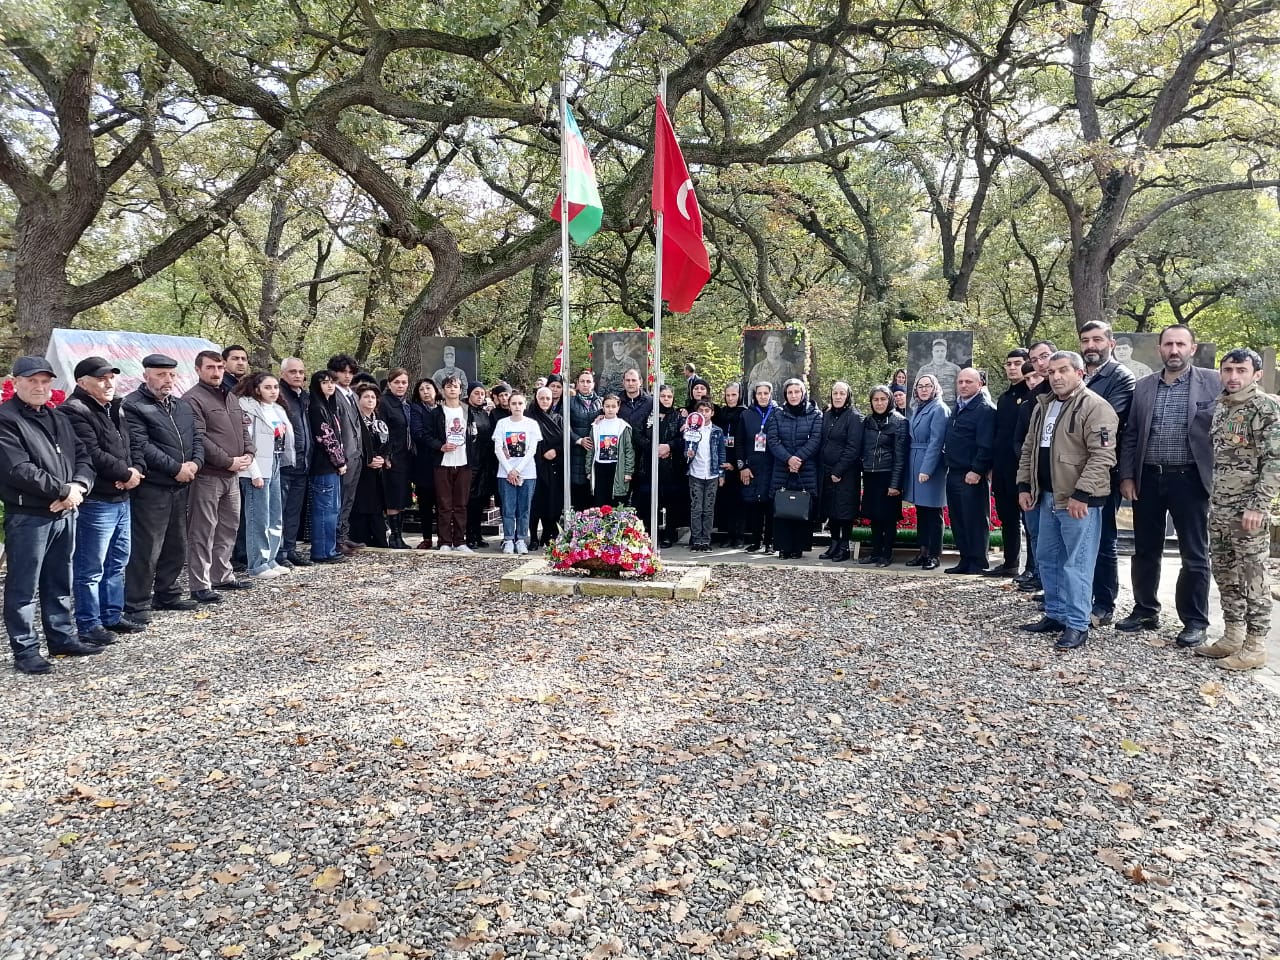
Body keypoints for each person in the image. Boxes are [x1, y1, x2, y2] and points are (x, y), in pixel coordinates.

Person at [1115, 324, 1218, 646]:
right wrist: (1128, 476)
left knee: (1194, 553)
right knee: (1145, 548)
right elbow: (1131, 433)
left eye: (1180, 344)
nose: (1174, 350)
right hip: (1148, 477)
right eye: (1168, 345)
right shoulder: (1144, 386)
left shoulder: (1213, 383)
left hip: (1190, 479)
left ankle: (1194, 620)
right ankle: (1146, 608)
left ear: (1192, 348)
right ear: (1160, 349)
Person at [0, 357, 98, 673]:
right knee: (23, 587)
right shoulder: (5, 419)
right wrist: (62, 491)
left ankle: (61, 638)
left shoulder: (59, 418)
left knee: (59, 579)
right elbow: (18, 469)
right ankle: (26, 650)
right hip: (28, 515)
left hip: (65, 511)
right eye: (32, 381)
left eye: (45, 381)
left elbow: (84, 457)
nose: (39, 387)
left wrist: (78, 488)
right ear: (16, 382)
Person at [1016, 351, 1119, 650]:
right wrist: (1025, 484)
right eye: (1052, 372)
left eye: (1064, 370)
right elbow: (1029, 449)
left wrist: (1081, 493)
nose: (1057, 376)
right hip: (1047, 496)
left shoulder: (1096, 407)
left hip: (1078, 501)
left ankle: (1077, 624)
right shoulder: (1042, 407)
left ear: (1080, 373)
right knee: (1047, 557)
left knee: (1077, 564)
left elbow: (1103, 456)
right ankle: (1056, 614)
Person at [1196, 349, 1279, 671]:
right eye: (1228, 369)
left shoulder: (1265, 407)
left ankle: (1256, 645)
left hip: (1248, 514)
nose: (1233, 376)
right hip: (1221, 509)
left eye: (1241, 370)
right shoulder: (1223, 406)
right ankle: (1233, 635)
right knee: (1225, 574)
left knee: (1252, 577)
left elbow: (1275, 461)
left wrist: (1259, 506)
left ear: (1255, 374)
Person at [61, 357, 145, 643]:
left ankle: (111, 614)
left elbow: (130, 445)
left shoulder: (115, 407)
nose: (109, 383)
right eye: (101, 378)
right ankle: (89, 622)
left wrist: (135, 471)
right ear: (82, 382)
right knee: (91, 566)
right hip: (97, 499)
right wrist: (124, 473)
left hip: (122, 495)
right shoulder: (74, 410)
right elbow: (91, 453)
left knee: (117, 560)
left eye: (111, 377)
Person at [123, 354, 204, 619]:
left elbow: (196, 438)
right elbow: (141, 445)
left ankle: (167, 594)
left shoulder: (181, 406)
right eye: (160, 375)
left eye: (171, 375)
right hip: (152, 487)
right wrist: (175, 468)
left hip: (181, 486)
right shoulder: (133, 406)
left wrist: (195, 463)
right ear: (146, 376)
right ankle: (137, 603)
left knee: (176, 545)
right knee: (147, 548)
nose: (167, 380)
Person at [185, 350, 255, 603]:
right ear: (198, 369)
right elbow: (199, 437)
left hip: (233, 476)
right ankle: (200, 584)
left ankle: (222, 575)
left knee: (228, 527)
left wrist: (249, 452)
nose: (216, 372)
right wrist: (228, 461)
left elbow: (243, 429)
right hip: (208, 475)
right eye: (210, 368)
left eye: (219, 367)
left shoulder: (231, 397)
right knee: (203, 530)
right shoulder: (193, 399)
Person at [1078, 322, 1136, 626]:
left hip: (1102, 471)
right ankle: (1079, 598)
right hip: (1072, 470)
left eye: (1097, 340)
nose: (1091, 345)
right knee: (1079, 538)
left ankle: (1104, 603)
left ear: (1110, 344)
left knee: (1103, 540)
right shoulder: (1079, 376)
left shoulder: (1120, 378)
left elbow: (1107, 421)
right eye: (1085, 340)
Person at [234, 372, 293, 579]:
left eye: (275, 387)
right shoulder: (247, 407)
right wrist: (254, 473)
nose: (273, 391)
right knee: (258, 517)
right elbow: (246, 441)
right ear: (257, 388)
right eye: (268, 387)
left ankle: (270, 558)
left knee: (274, 514)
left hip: (275, 462)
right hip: (257, 466)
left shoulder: (277, 409)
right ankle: (257, 563)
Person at [943, 368, 996, 574]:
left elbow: (986, 444)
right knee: (958, 518)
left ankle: (977, 561)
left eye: (968, 382)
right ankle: (965, 559)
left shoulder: (984, 409)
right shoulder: (959, 406)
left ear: (980, 384)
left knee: (974, 519)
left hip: (971, 473)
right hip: (954, 470)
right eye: (960, 382)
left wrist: (977, 469)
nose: (963, 385)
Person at [1012, 341, 1056, 591]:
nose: (1032, 380)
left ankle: (1047, 582)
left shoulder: (1062, 396)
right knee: (1035, 530)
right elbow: (1021, 439)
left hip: (1056, 477)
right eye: (1035, 359)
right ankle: (1039, 575)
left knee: (1050, 537)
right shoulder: (1029, 402)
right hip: (1032, 473)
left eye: (1045, 358)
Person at [986, 349, 1030, 577]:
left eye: (1018, 363)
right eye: (1009, 363)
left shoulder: (1032, 395)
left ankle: (1031, 568)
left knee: (1029, 520)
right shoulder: (1004, 398)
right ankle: (1011, 562)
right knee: (1007, 517)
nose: (1012, 367)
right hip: (1002, 468)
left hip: (1022, 468)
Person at [767, 379, 821, 559]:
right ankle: (783, 547)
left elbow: (815, 439)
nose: (794, 395)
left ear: (803, 393)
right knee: (782, 507)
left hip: (805, 469)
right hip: (782, 468)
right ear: (785, 395)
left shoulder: (815, 415)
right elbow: (773, 440)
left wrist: (799, 458)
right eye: (790, 392)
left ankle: (798, 547)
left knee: (801, 507)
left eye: (797, 392)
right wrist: (788, 459)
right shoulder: (777, 414)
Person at [424, 375, 478, 553]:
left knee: (461, 504)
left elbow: (474, 434)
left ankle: (460, 541)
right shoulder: (436, 413)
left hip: (463, 462)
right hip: (443, 463)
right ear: (442, 390)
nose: (452, 389)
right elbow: (426, 436)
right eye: (448, 386)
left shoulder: (468, 411)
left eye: (455, 386)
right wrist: (440, 446)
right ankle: (444, 541)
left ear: (460, 389)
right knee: (444, 504)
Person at [859, 385, 909, 566]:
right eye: (875, 400)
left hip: (888, 474)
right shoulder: (868, 421)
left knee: (888, 517)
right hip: (871, 474)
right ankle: (875, 551)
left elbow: (900, 456)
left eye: (883, 399)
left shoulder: (900, 421)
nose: (879, 403)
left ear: (890, 401)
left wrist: (895, 484)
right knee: (874, 516)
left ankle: (886, 554)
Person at [905, 374, 949, 570]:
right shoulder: (919, 408)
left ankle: (934, 555)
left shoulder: (939, 408)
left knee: (933, 512)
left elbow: (936, 442)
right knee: (921, 511)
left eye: (927, 386)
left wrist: (927, 469)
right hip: (916, 461)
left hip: (930, 466)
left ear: (934, 388)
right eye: (920, 386)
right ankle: (923, 551)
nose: (923, 390)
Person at [817, 381, 864, 563]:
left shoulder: (854, 416)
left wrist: (838, 470)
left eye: (841, 393)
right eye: (835, 393)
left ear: (848, 396)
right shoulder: (827, 415)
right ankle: (834, 543)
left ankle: (844, 546)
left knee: (844, 511)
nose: (838, 397)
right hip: (827, 471)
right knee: (831, 509)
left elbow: (853, 448)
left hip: (846, 473)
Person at [306, 370, 348, 564]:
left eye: (332, 382)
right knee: (325, 510)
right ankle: (323, 551)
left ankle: (329, 548)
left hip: (332, 467)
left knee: (333, 509)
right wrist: (339, 462)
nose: (329, 386)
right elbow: (326, 439)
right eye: (324, 382)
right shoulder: (316, 408)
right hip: (324, 467)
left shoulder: (329, 407)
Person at [493, 392, 543, 554]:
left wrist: (518, 470)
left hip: (527, 473)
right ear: (509, 405)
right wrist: (510, 470)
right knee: (508, 508)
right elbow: (498, 449)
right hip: (505, 473)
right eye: (513, 403)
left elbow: (532, 450)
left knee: (524, 508)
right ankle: (508, 539)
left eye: (520, 403)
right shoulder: (502, 423)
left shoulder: (532, 424)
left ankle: (521, 539)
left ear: (525, 405)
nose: (517, 407)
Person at [276, 358, 312, 567]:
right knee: (280, 511)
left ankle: (290, 549)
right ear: (283, 374)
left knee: (294, 511)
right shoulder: (279, 396)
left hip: (303, 462)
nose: (297, 375)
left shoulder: (303, 397)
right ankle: (279, 552)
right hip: (285, 463)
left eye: (300, 372)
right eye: (292, 372)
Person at [327, 354, 364, 556]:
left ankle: (343, 535)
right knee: (338, 498)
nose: (347, 376)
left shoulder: (354, 395)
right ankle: (335, 539)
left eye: (351, 372)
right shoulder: (334, 394)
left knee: (349, 498)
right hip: (342, 455)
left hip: (356, 454)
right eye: (343, 372)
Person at [736, 382, 777, 553]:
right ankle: (755, 540)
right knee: (754, 505)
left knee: (770, 505)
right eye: (759, 393)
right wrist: (743, 466)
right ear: (754, 396)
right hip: (752, 466)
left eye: (765, 393)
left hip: (772, 465)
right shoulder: (746, 415)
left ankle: (770, 541)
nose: (762, 396)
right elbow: (739, 443)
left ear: (770, 394)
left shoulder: (778, 414)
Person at [350, 383, 390, 547]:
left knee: (377, 505)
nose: (370, 400)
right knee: (362, 505)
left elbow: (388, 443)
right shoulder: (356, 421)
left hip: (378, 471)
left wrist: (385, 458)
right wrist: (368, 459)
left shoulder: (380, 421)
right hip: (361, 469)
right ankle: (361, 538)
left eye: (373, 397)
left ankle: (379, 538)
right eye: (366, 396)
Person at [379, 368, 415, 549]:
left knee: (402, 496)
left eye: (404, 383)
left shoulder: (406, 404)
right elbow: (382, 431)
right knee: (394, 496)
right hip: (392, 456)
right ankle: (395, 536)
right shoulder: (384, 403)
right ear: (389, 384)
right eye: (397, 382)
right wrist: (385, 454)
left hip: (406, 455)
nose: (401, 386)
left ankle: (399, 536)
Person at [684, 398, 726, 552]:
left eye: (707, 411)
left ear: (712, 413)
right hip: (695, 474)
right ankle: (696, 540)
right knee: (696, 508)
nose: (704, 414)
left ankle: (706, 540)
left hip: (712, 474)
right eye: (700, 411)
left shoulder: (717, 431)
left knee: (708, 509)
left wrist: (721, 473)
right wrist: (688, 454)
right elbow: (685, 452)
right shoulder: (691, 430)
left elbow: (721, 452)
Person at [528, 386, 564, 547]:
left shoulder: (558, 418)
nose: (544, 401)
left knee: (552, 503)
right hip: (534, 465)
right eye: (541, 398)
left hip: (554, 466)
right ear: (536, 399)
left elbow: (566, 439)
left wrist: (555, 451)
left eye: (547, 398)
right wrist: (542, 452)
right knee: (535, 504)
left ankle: (548, 535)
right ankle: (534, 538)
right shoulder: (529, 417)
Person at [654, 385, 689, 547]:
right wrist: (653, 448)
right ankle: (652, 533)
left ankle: (669, 534)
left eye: (669, 396)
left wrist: (669, 446)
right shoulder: (651, 414)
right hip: (650, 464)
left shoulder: (679, 417)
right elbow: (639, 433)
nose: (666, 399)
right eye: (663, 396)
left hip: (671, 466)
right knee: (652, 500)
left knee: (670, 502)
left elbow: (684, 438)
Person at [712, 382, 745, 547]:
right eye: (728, 395)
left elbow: (744, 441)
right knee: (723, 502)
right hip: (721, 461)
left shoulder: (744, 413)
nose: (731, 398)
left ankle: (738, 536)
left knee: (737, 503)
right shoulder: (721, 413)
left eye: (734, 395)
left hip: (736, 463)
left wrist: (734, 463)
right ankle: (726, 535)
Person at [408, 378, 439, 548]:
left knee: (443, 502)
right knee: (425, 504)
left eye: (429, 388)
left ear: (435, 389)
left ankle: (444, 537)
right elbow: (418, 433)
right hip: (423, 462)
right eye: (422, 389)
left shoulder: (443, 408)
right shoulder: (416, 409)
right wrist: (438, 443)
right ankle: (427, 537)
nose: (426, 392)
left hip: (443, 462)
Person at [465, 381, 496, 548]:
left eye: (482, 394)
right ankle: (469, 534)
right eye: (476, 393)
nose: (479, 396)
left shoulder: (484, 413)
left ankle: (478, 533)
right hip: (471, 461)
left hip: (485, 462)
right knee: (470, 501)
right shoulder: (465, 412)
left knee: (480, 501)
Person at [591, 393, 635, 508]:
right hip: (600, 466)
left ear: (618, 407)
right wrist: (588, 470)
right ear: (603, 407)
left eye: (613, 406)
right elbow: (591, 449)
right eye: (607, 406)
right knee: (600, 499)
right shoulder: (596, 425)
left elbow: (629, 450)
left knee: (616, 499)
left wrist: (628, 471)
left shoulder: (623, 426)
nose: (610, 409)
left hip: (616, 467)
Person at [617, 368, 653, 509]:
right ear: (623, 382)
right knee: (621, 500)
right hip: (622, 458)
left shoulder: (651, 402)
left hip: (643, 458)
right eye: (628, 380)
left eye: (634, 380)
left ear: (641, 382)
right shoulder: (616, 402)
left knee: (642, 499)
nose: (631, 383)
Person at [568, 370, 603, 510]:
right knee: (579, 496)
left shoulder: (601, 402)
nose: (585, 384)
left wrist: (604, 416)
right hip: (577, 453)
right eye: (582, 381)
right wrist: (578, 440)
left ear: (593, 384)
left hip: (597, 454)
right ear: (577, 384)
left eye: (588, 381)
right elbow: (564, 425)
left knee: (596, 497)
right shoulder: (569, 402)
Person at [747, 333, 801, 400]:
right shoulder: (757, 369)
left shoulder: (789, 367)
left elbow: (797, 388)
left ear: (781, 348)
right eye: (770, 344)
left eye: (777, 344)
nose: (773, 348)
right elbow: (751, 391)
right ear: (765, 347)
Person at [917, 339, 961, 405]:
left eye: (942, 351)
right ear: (932, 352)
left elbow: (960, 391)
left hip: (951, 407)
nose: (940, 353)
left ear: (946, 352)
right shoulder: (923, 370)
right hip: (930, 407)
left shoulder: (955, 369)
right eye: (937, 351)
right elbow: (916, 390)